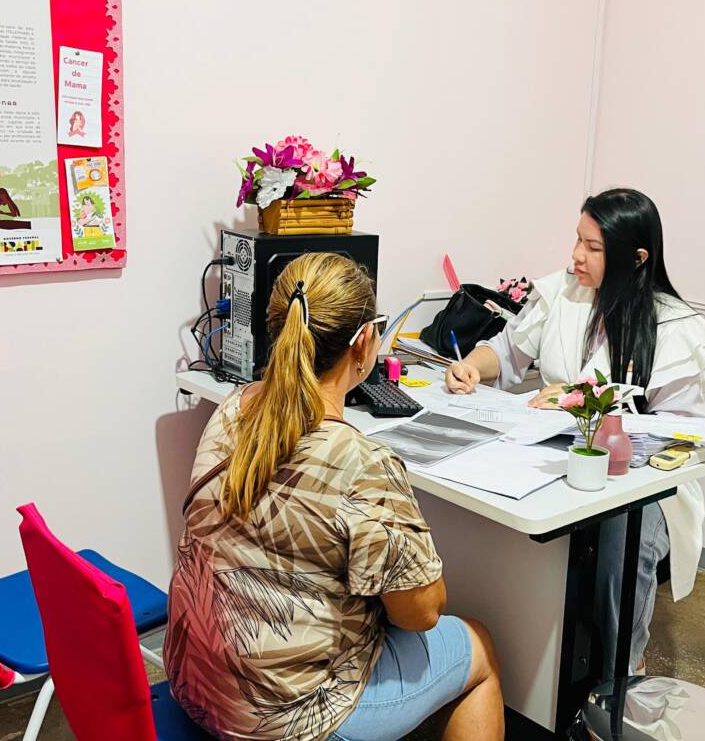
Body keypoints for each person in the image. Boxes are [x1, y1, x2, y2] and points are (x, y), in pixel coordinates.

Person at [165, 252, 504, 741]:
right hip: (286, 719)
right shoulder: (360, 461)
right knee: (480, 646)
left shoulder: (234, 407)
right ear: (364, 342)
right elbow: (421, 614)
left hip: (196, 677)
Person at [445, 188, 705, 678]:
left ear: (636, 258)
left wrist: (583, 402)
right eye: (577, 239)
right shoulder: (561, 293)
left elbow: (681, 433)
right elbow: (508, 352)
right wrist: (472, 364)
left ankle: (619, 672)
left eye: (593, 247)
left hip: (635, 479)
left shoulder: (672, 325)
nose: (576, 255)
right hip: (550, 454)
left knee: (621, 543)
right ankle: (530, 668)